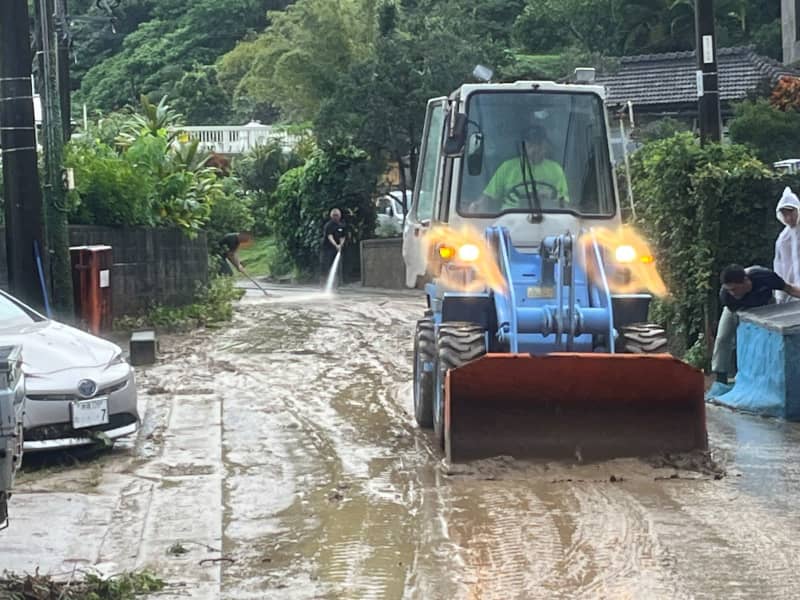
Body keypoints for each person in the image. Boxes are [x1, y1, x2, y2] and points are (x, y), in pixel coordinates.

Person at [709, 264, 800, 395]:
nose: (732, 293)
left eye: (734, 289)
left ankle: (772, 375)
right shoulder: (726, 295)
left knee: (772, 337)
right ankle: (721, 379)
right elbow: (744, 324)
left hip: (765, 306)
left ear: (746, 281)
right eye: (729, 289)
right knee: (723, 337)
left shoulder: (765, 276)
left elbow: (790, 289)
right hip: (739, 310)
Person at [473, 124, 569, 213]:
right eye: (530, 145)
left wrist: (550, 197)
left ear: (545, 146)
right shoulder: (507, 167)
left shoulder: (556, 170)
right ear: (523, 147)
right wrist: (476, 208)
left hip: (547, 218)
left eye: (539, 144)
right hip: (510, 219)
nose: (535, 149)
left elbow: (565, 205)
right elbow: (488, 197)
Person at [773, 186, 800, 304]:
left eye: (791, 213)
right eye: (784, 214)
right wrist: (780, 292)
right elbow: (779, 265)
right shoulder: (783, 239)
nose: (788, 218)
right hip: (792, 292)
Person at [320, 208, 346, 285]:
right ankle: (324, 283)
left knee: (338, 266)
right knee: (326, 265)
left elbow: (343, 236)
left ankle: (338, 283)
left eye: (337, 215)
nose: (336, 217)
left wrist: (340, 245)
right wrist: (336, 245)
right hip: (327, 249)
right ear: (331, 216)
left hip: (337, 249)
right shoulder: (329, 225)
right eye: (334, 215)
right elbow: (330, 236)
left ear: (340, 215)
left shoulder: (342, 225)